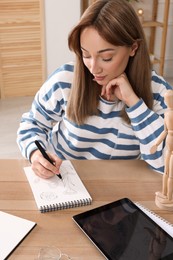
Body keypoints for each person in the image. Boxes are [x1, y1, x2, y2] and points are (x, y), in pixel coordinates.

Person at [17, 0, 172, 179]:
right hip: (63, 179)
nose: (93, 68)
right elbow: (32, 124)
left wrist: (134, 103)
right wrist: (36, 154)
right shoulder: (65, 80)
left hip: (119, 184)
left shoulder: (160, 92)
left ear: (133, 48)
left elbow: (164, 163)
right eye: (86, 55)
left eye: (106, 57)